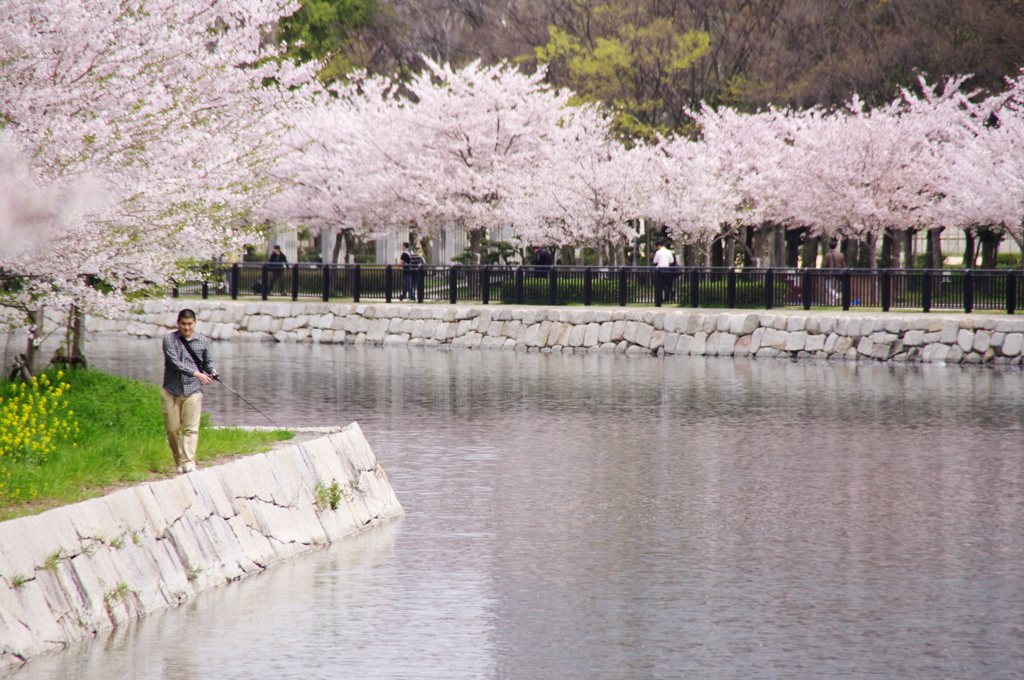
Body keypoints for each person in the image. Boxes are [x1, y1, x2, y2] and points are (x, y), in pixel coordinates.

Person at [162, 309, 217, 474]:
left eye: (190, 324)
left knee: (191, 428)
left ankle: (188, 463)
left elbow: (207, 362)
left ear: (195, 323)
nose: (187, 327)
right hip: (171, 390)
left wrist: (212, 371)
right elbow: (174, 362)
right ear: (178, 323)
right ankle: (178, 460)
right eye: (183, 324)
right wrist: (196, 373)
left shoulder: (203, 341)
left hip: (193, 389)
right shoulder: (169, 340)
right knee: (172, 429)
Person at [820, 238, 845, 304]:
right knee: (835, 287)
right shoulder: (840, 255)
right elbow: (843, 265)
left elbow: (824, 264)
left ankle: (834, 298)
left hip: (829, 273)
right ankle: (833, 301)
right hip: (838, 273)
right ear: (836, 246)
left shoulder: (827, 255)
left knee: (828, 287)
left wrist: (821, 272)